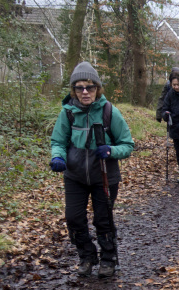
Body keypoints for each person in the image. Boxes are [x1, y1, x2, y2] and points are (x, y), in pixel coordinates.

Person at [50, 62, 134, 278]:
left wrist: (111, 150)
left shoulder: (109, 112)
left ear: (97, 88)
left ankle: (108, 259)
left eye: (89, 87)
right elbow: (58, 141)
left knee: (103, 219)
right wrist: (58, 157)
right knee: (74, 218)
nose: (85, 92)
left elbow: (127, 145)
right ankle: (86, 256)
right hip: (75, 175)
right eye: (79, 87)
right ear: (74, 91)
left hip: (104, 175)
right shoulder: (68, 113)